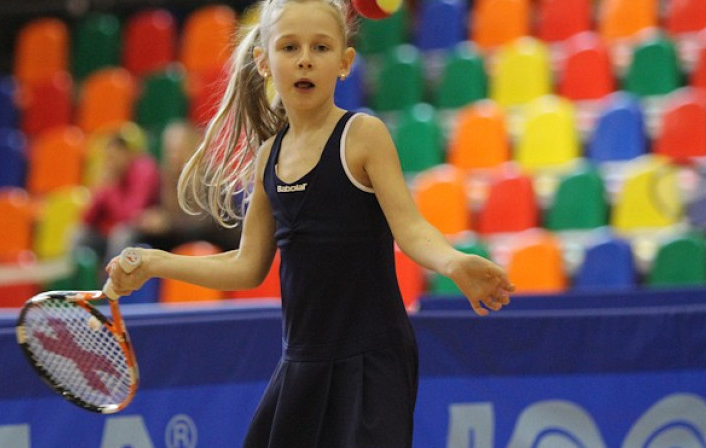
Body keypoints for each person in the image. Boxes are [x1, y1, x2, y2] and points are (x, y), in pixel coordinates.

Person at [107, 0, 515, 446]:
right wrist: (153, 262)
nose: (305, 58)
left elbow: (412, 229)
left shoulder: (362, 135)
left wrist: (453, 262)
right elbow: (246, 266)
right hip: (301, 360)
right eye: (289, 47)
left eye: (320, 47)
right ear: (264, 61)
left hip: (372, 358)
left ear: (344, 63)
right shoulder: (269, 158)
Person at [120, 121, 241, 253]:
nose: (174, 156)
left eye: (179, 150)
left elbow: (210, 226)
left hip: (214, 246)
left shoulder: (212, 179)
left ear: (195, 149)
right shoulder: (165, 178)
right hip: (178, 239)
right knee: (127, 234)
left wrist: (168, 225)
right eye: (170, 151)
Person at [76, 127, 160, 267]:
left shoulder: (144, 169)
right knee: (80, 234)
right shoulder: (109, 178)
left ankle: (112, 284)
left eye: (114, 156)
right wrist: (100, 191)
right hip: (113, 231)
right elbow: (87, 219)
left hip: (145, 231)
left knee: (121, 234)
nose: (111, 162)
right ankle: (77, 282)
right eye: (108, 158)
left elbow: (131, 214)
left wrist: (110, 187)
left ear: (127, 153)